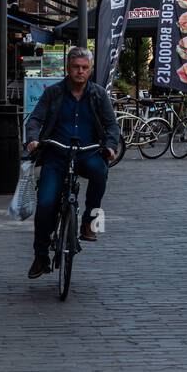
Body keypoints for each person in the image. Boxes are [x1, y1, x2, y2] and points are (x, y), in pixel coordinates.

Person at [24, 46, 120, 279]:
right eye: (76, 67)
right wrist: (34, 139)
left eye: (85, 68)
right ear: (68, 69)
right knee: (46, 203)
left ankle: (90, 223)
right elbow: (35, 119)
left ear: (90, 70)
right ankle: (40, 256)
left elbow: (112, 126)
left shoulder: (98, 95)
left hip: (86, 153)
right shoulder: (53, 93)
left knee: (100, 173)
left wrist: (109, 146)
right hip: (57, 154)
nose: (80, 72)